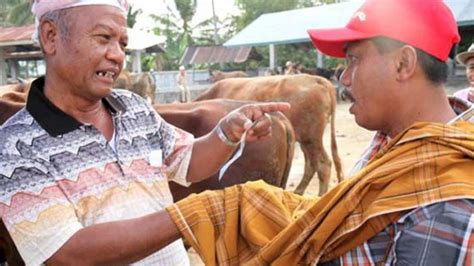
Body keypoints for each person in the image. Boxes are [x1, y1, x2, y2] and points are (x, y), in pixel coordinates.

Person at [126, 0, 472, 265]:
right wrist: (241, 204)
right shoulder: (398, 145)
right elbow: (341, 219)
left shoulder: (444, 209)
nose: (344, 78)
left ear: (403, 64)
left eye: (354, 60)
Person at [0, 1, 289, 265]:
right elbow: (68, 253)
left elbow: (186, 161)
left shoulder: (134, 107)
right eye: (103, 38)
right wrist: (191, 214)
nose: (116, 56)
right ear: (51, 37)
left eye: (122, 44)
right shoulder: (14, 147)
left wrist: (226, 133)